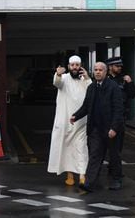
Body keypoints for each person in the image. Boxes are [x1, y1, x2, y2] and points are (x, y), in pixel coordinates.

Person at [70, 62, 124, 192]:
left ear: (105, 72)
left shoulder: (113, 87)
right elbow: (86, 107)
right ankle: (89, 183)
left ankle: (116, 180)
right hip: (95, 129)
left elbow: (118, 110)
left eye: (100, 70)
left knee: (114, 156)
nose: (98, 72)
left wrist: (114, 128)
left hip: (110, 129)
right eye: (96, 70)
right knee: (94, 155)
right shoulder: (91, 87)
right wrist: (75, 116)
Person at [47, 55, 92, 186]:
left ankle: (82, 175)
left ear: (81, 66)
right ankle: (70, 175)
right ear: (68, 66)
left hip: (81, 122)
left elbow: (91, 91)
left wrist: (88, 78)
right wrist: (58, 74)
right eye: (72, 65)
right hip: (65, 122)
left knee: (81, 148)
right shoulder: (64, 78)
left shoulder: (85, 79)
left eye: (77, 65)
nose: (75, 68)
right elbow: (57, 83)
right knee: (66, 149)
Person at [106, 56, 135, 153]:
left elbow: (132, 95)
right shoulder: (105, 80)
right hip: (106, 116)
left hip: (120, 116)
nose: (119, 68)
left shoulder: (124, 79)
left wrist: (130, 83)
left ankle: (115, 165)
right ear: (110, 67)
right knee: (105, 144)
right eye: (117, 66)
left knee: (118, 145)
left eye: (120, 66)